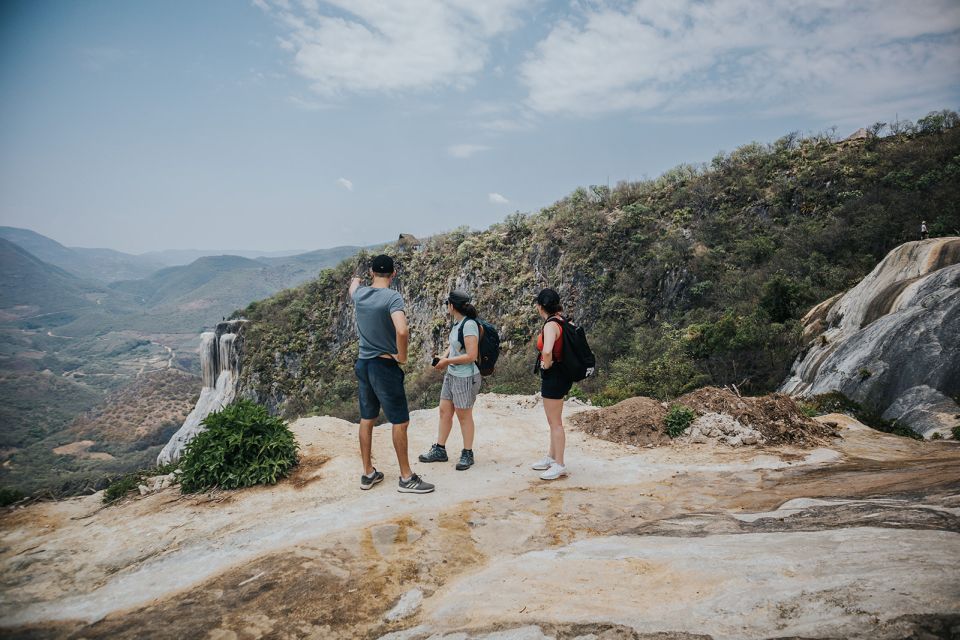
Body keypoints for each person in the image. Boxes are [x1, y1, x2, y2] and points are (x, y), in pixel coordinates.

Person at [349, 254, 434, 494]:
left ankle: (368, 473)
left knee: (367, 419)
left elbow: (353, 286)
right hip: (383, 366)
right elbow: (402, 330)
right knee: (400, 420)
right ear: (393, 274)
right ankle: (406, 478)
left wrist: (356, 277)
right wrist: (402, 356)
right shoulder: (392, 297)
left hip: (363, 363)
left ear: (372, 273)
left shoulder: (360, 295)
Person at [419, 290, 483, 471]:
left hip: (465, 377)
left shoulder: (469, 325)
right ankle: (440, 449)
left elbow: (471, 356)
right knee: (444, 411)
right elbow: (454, 345)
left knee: (464, 415)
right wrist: (444, 356)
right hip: (452, 374)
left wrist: (447, 361)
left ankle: (468, 452)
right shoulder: (457, 323)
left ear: (452, 306)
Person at [531, 288, 571, 480]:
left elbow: (547, 351)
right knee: (553, 420)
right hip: (562, 374)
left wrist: (545, 367)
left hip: (553, 376)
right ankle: (551, 457)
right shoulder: (562, 320)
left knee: (555, 423)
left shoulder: (550, 325)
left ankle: (559, 464)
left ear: (540, 307)